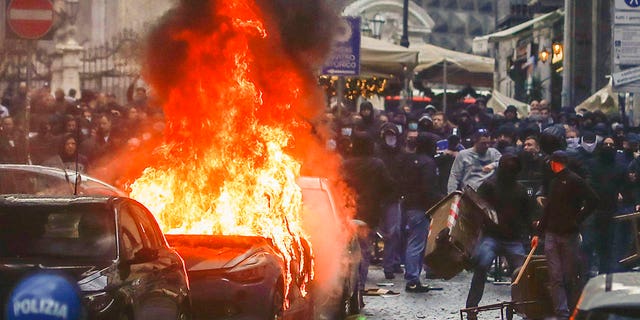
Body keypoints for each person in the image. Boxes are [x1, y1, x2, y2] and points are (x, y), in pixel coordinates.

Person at [465, 154, 534, 319]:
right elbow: (476, 207)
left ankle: (521, 307)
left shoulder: (520, 190)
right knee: (482, 266)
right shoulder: (489, 186)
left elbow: (528, 214)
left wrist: (531, 230)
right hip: (492, 236)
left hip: (512, 238)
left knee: (520, 274)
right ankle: (471, 308)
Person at [532, 150, 599, 319]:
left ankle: (573, 309)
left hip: (569, 234)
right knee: (555, 276)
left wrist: (577, 219)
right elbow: (548, 209)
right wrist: (538, 232)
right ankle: (562, 313)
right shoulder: (554, 182)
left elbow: (593, 200)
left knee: (569, 276)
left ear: (554, 163)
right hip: (552, 233)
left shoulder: (575, 181)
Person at [341, 134, 394, 293]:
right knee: (363, 251)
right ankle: (359, 288)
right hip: (369, 214)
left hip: (347, 212)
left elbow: (336, 184)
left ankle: (346, 287)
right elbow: (389, 185)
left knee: (345, 251)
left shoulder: (345, 164)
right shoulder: (377, 164)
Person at [398, 133, 441, 292]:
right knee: (417, 243)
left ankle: (412, 276)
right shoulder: (428, 164)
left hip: (408, 205)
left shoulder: (409, 161)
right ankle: (413, 279)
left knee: (413, 241)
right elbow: (428, 188)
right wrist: (437, 201)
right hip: (421, 208)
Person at [447, 129, 502, 193]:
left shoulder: (493, 152)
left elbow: (504, 163)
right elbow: (454, 176)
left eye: (488, 143)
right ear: (475, 141)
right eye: (483, 143)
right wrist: (451, 195)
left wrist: (493, 165)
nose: (487, 146)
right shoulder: (463, 155)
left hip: (489, 191)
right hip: (470, 192)